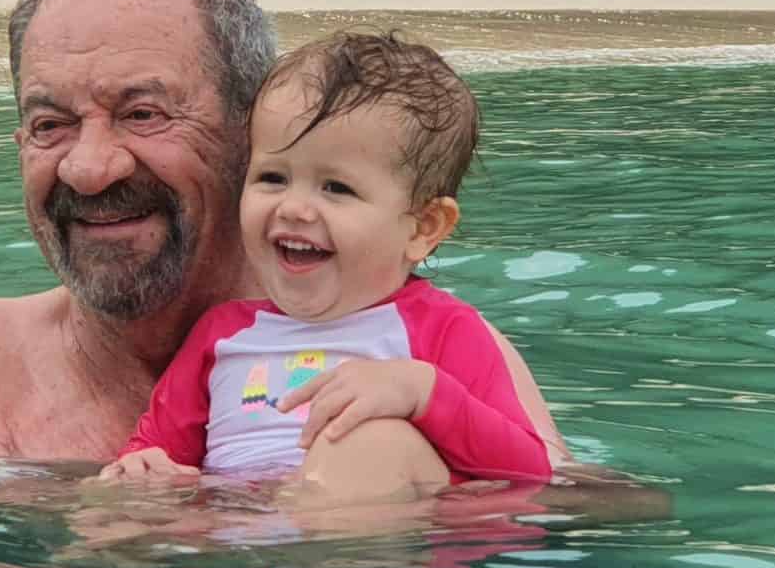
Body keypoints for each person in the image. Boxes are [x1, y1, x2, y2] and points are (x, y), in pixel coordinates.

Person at [0, 0, 569, 471]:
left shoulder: (422, 346)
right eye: (49, 124)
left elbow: (567, 532)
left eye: (142, 113)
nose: (87, 168)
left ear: (251, 134)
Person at [98, 32, 548, 498]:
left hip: (366, 551)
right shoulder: (222, 335)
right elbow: (156, 448)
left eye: (336, 188)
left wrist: (426, 395)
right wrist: (142, 469)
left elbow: (531, 473)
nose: (294, 208)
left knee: (370, 441)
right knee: (118, 501)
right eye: (273, 178)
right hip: (244, 547)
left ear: (422, 228)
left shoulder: (443, 331)